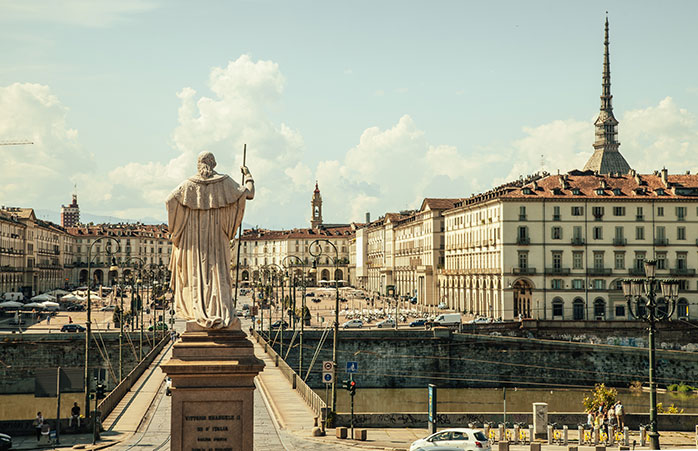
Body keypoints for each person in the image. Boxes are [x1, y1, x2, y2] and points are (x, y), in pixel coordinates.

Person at [166, 151, 254, 329]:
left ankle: (199, 310)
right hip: (217, 236)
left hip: (194, 238)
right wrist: (248, 175)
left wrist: (175, 228)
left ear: (199, 164)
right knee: (218, 272)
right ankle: (221, 310)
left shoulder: (188, 184)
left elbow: (169, 201)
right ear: (214, 164)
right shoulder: (225, 181)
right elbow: (249, 194)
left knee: (197, 274)